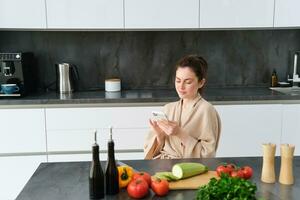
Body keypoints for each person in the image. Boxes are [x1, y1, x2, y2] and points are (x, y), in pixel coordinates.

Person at [144, 55, 221, 159]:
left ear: (201, 83)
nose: (181, 87)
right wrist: (160, 136)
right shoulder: (168, 108)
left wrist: (179, 133)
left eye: (188, 82)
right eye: (178, 80)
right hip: (163, 166)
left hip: (191, 169)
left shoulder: (206, 110)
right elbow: (153, 153)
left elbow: (208, 154)